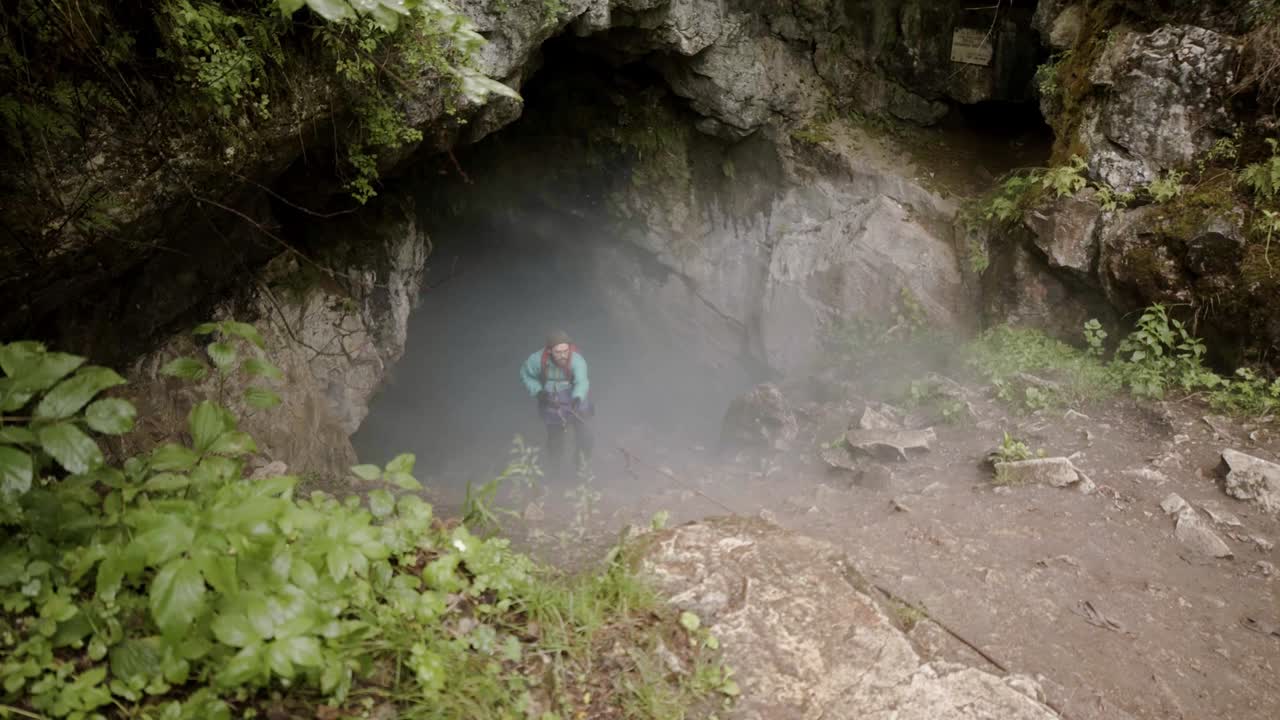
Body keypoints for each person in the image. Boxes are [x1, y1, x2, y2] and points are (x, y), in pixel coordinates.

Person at [520, 330, 593, 483]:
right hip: (551, 398)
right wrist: (539, 392)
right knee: (555, 439)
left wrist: (578, 397)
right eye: (558, 352)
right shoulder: (536, 360)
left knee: (585, 435)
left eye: (565, 351)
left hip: (574, 396)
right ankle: (556, 474)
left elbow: (582, 380)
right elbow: (526, 374)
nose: (563, 355)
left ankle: (582, 470)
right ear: (549, 351)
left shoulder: (577, 360)